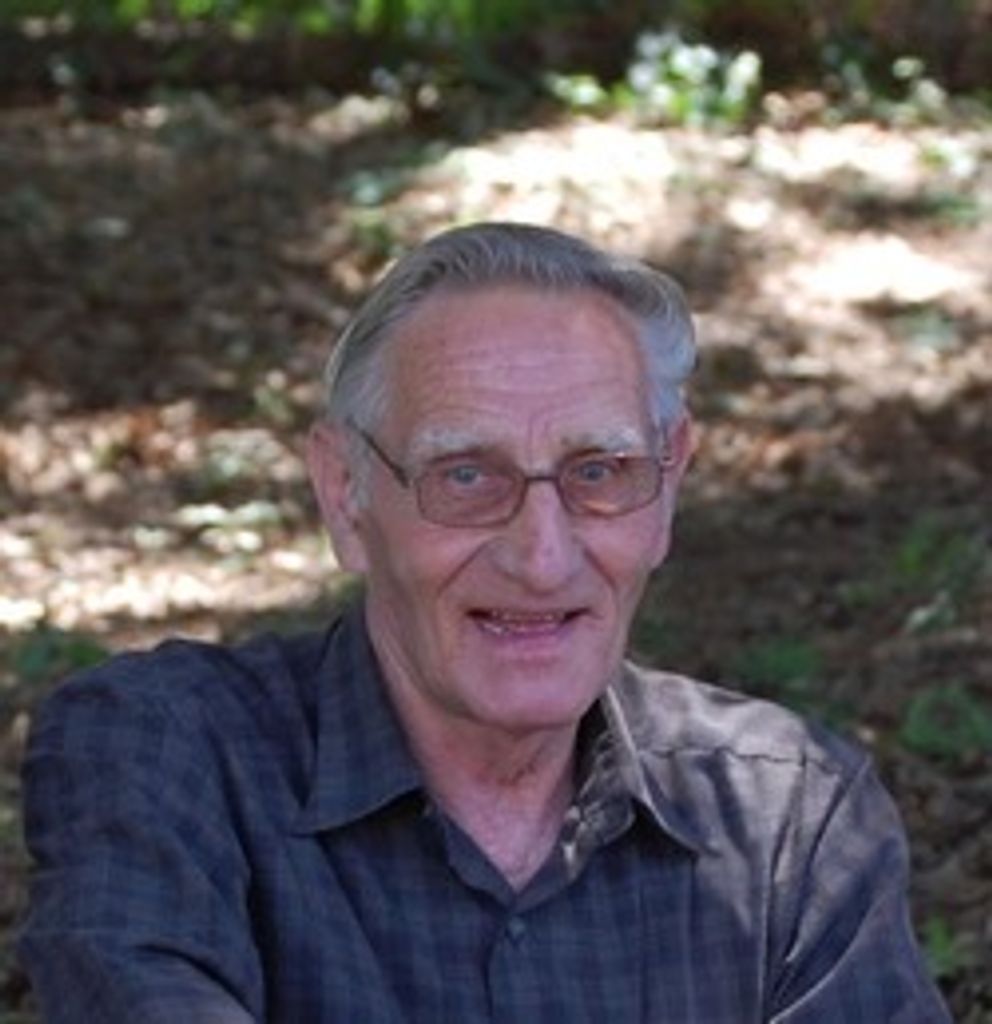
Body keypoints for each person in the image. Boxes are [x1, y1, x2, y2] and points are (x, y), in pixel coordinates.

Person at [19, 222, 950, 1023]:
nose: (542, 558)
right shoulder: (169, 753)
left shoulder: (790, 819)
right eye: (466, 475)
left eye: (599, 472)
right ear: (346, 495)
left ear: (669, 483)